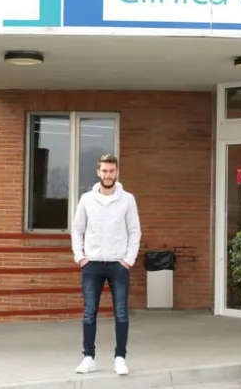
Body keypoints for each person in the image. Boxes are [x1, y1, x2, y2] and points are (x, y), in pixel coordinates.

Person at [71, 154, 141, 376]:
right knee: (89, 313)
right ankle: (88, 357)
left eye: (112, 171)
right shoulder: (86, 199)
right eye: (104, 171)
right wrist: (80, 257)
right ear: (98, 172)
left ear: (117, 172)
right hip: (92, 264)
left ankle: (120, 358)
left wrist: (128, 260)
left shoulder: (127, 199)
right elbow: (77, 229)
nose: (108, 175)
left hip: (118, 265)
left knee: (121, 313)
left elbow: (134, 231)